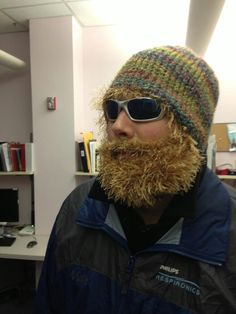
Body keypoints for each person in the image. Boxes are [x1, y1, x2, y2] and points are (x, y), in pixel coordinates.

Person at [35, 46, 236, 313]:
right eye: (111, 109)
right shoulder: (78, 206)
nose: (118, 126)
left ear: (189, 130)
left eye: (142, 107)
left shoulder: (230, 229)